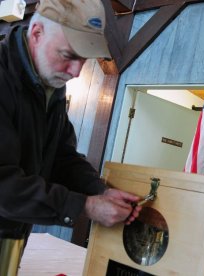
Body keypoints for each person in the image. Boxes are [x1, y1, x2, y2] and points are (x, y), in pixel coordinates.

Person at [0, 0, 142, 274]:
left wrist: (99, 190)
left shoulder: (48, 82)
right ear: (37, 33)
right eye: (68, 55)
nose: (76, 73)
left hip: (12, 235)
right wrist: (85, 206)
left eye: (83, 59)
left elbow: (62, 159)